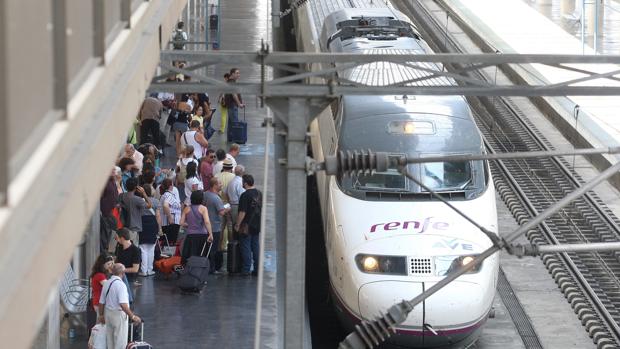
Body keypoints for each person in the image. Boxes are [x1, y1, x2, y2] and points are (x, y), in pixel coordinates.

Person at [98, 263, 141, 349]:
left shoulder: (107, 283)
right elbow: (123, 305)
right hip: (118, 316)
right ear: (123, 273)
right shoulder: (121, 285)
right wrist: (132, 316)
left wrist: (101, 315)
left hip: (108, 314)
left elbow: (101, 302)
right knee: (120, 343)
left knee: (110, 342)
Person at [235, 174, 262, 276]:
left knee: (245, 246)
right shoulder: (259, 193)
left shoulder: (245, 195)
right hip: (257, 224)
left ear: (245, 183)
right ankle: (257, 269)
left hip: (246, 225)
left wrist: (237, 224)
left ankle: (246, 269)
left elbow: (242, 212)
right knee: (255, 246)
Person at [203, 178, 230, 274]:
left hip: (205, 226)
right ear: (214, 185)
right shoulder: (216, 198)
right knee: (214, 248)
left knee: (207, 247)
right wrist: (227, 208)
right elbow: (221, 212)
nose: (221, 185)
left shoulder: (205, 194)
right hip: (215, 226)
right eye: (219, 183)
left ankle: (206, 266)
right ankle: (213, 268)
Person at [180, 191, 213, 264]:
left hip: (190, 236)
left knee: (190, 254)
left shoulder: (187, 209)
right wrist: (210, 233)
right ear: (201, 199)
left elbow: (181, 222)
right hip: (202, 235)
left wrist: (189, 225)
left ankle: (189, 269)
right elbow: (207, 222)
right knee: (201, 254)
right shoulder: (203, 208)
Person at [118, 178, 152, 246]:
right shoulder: (137, 199)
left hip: (122, 226)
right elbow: (149, 205)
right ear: (136, 187)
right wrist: (143, 193)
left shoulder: (121, 196)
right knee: (133, 249)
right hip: (133, 228)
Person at [139, 184, 161, 276]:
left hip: (142, 223)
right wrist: (159, 228)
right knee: (151, 248)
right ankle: (150, 269)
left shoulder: (139, 201)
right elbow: (158, 216)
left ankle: (144, 271)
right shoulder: (156, 201)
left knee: (143, 248)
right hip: (153, 223)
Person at [215, 159, 236, 248]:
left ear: (223, 167)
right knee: (230, 227)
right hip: (230, 205)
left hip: (219, 204)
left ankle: (218, 248)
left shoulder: (216, 176)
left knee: (220, 228)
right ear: (231, 168)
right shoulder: (234, 177)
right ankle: (231, 248)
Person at [100, 169, 120, 254]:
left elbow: (115, 194)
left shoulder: (112, 181)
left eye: (114, 170)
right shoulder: (104, 182)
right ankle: (104, 252)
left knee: (112, 232)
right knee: (106, 233)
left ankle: (108, 251)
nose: (114, 171)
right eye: (111, 170)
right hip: (105, 212)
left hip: (112, 211)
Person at [160, 178, 182, 244]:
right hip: (171, 223)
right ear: (170, 186)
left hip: (168, 223)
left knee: (168, 243)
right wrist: (169, 217)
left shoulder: (165, 195)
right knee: (170, 243)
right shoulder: (168, 195)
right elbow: (165, 205)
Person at [226, 165, 245, 242]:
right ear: (243, 172)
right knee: (238, 225)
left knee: (232, 226)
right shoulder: (240, 182)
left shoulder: (231, 181)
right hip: (237, 206)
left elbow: (226, 193)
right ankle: (237, 245)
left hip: (231, 204)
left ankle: (232, 243)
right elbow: (242, 196)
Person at [224, 68, 244, 136]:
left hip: (231, 106)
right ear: (232, 74)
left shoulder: (230, 82)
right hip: (233, 106)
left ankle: (230, 139)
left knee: (230, 124)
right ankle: (236, 139)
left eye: (239, 73)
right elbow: (234, 95)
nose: (239, 75)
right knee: (235, 123)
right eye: (237, 73)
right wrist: (239, 104)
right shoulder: (232, 83)